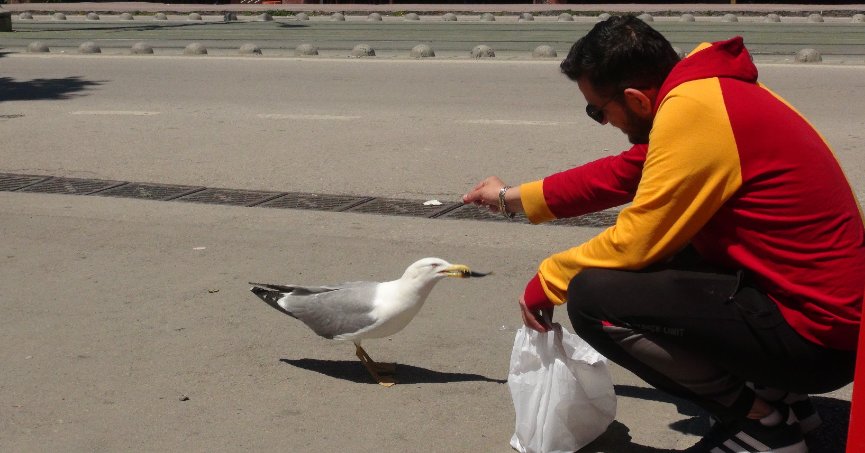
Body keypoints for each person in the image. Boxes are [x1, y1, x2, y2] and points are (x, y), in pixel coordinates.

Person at [463, 14, 864, 453]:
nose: (602, 121)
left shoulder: (693, 112)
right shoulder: (709, 91)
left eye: (598, 111)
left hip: (815, 335)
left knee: (595, 298)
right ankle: (781, 398)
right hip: (820, 315)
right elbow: (621, 175)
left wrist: (549, 279)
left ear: (635, 99)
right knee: (676, 256)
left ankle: (764, 426)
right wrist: (508, 196)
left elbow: (637, 240)